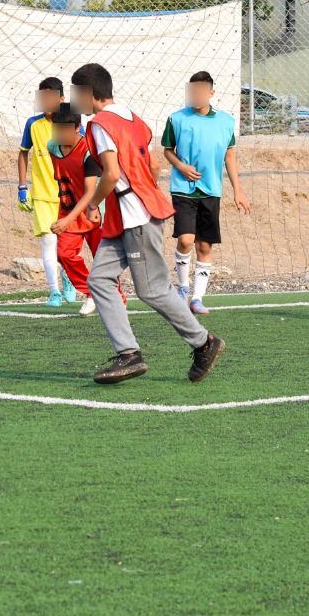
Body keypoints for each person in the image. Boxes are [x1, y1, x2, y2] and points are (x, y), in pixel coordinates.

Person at [71, 62, 225, 385]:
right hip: (128, 217)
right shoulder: (135, 120)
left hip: (136, 218)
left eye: (76, 93)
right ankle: (128, 353)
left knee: (152, 289)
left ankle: (204, 343)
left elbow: (111, 174)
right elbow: (152, 166)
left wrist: (95, 204)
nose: (74, 100)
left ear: (88, 93)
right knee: (99, 279)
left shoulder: (99, 125)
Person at [161, 71, 251, 314]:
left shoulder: (225, 121)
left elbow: (230, 155)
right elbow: (167, 149)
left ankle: (197, 298)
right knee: (185, 240)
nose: (195, 95)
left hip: (211, 190)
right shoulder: (177, 119)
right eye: (192, 91)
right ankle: (182, 288)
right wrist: (180, 166)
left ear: (210, 93)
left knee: (205, 246)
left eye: (200, 91)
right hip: (183, 188)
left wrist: (238, 191)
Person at [47, 105, 123, 317]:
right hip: (69, 212)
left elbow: (90, 192)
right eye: (57, 128)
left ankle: (119, 299)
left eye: (65, 129)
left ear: (78, 128)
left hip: (94, 212)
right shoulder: (51, 147)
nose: (60, 133)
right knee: (64, 253)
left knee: (103, 260)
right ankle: (91, 293)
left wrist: (67, 220)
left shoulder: (89, 152)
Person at [18, 77, 75, 306]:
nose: (45, 101)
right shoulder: (33, 124)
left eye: (51, 96)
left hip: (68, 194)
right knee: (48, 242)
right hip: (42, 194)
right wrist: (22, 186)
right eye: (42, 96)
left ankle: (68, 277)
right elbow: (23, 153)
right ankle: (54, 291)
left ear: (61, 99)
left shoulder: (71, 120)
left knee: (67, 246)